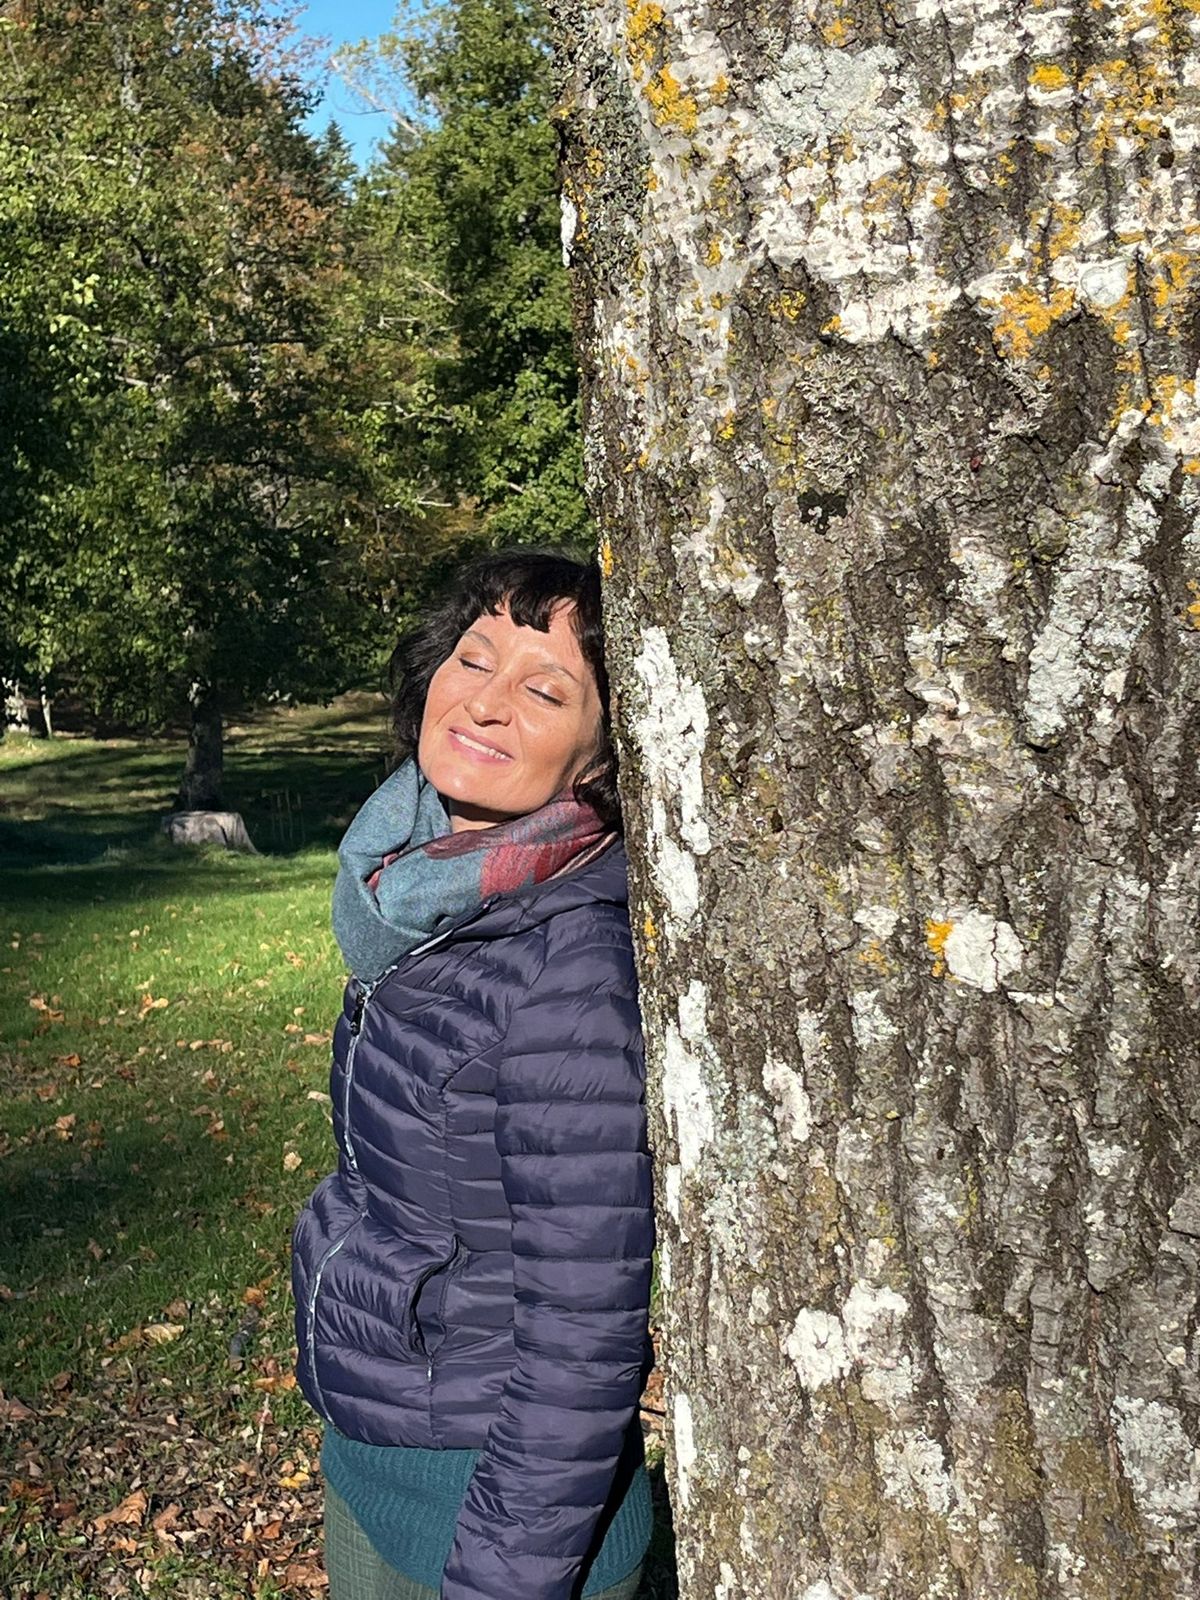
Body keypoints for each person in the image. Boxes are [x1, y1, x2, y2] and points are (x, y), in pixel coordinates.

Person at [291, 547, 656, 1600]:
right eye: (474, 657)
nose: (488, 703)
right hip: (387, 1450)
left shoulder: (567, 971)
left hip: (493, 1519)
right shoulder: (426, 890)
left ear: (600, 755)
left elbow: (581, 1338)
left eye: (546, 690)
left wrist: (504, 1579)